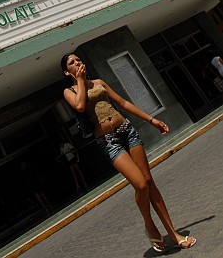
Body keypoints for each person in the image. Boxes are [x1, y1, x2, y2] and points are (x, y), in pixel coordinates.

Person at [61, 52, 196, 253]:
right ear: (67, 71)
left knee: (149, 181)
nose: (77, 63)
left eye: (79, 59)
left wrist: (152, 120)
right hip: (109, 142)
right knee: (140, 185)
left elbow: (123, 103)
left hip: (127, 131)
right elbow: (80, 106)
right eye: (72, 62)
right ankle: (149, 225)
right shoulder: (69, 91)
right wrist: (80, 81)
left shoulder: (99, 82)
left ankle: (173, 233)